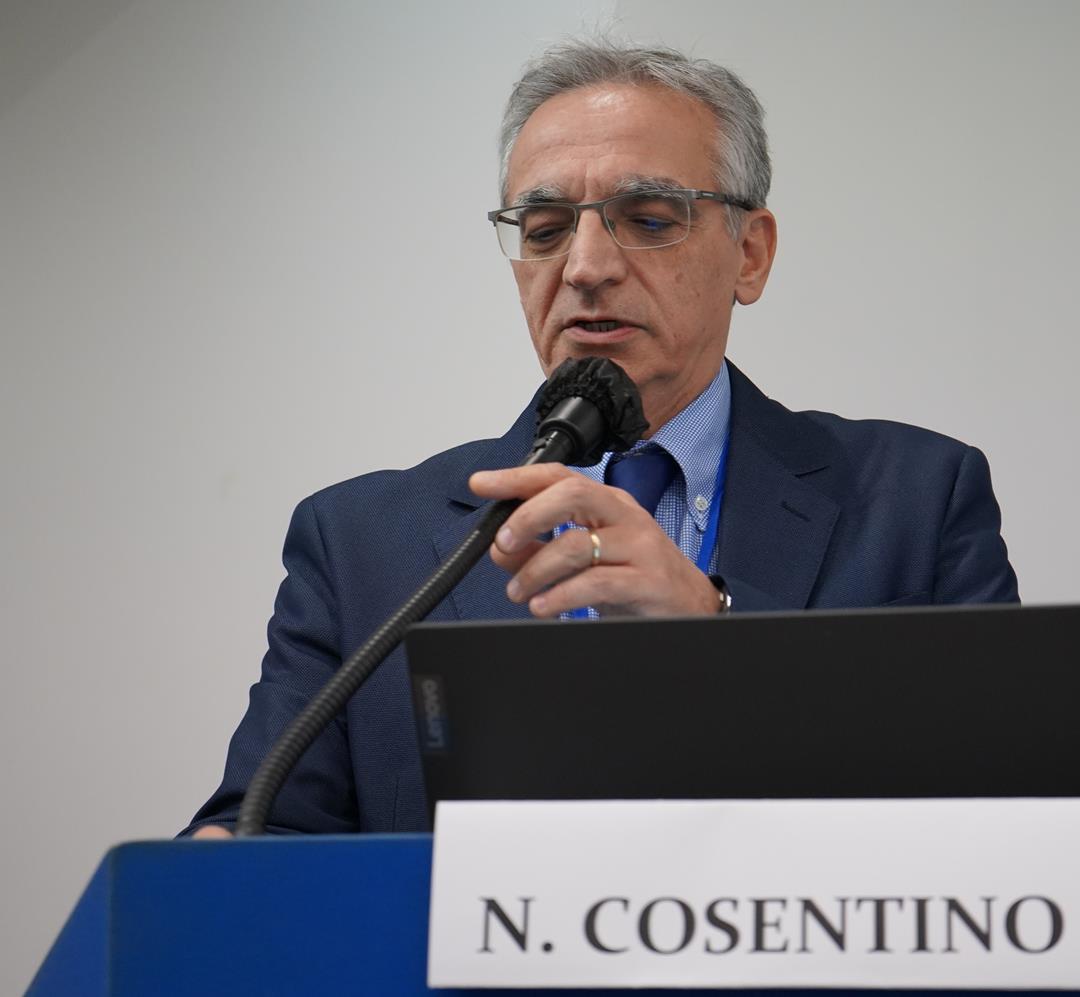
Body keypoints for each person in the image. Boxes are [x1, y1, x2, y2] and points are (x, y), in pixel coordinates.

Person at [187, 40, 1019, 837]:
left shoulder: (917, 500)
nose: (585, 267)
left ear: (751, 254)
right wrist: (218, 859)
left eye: (648, 219)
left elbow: (1012, 809)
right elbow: (261, 831)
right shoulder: (362, 544)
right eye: (545, 228)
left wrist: (719, 630)